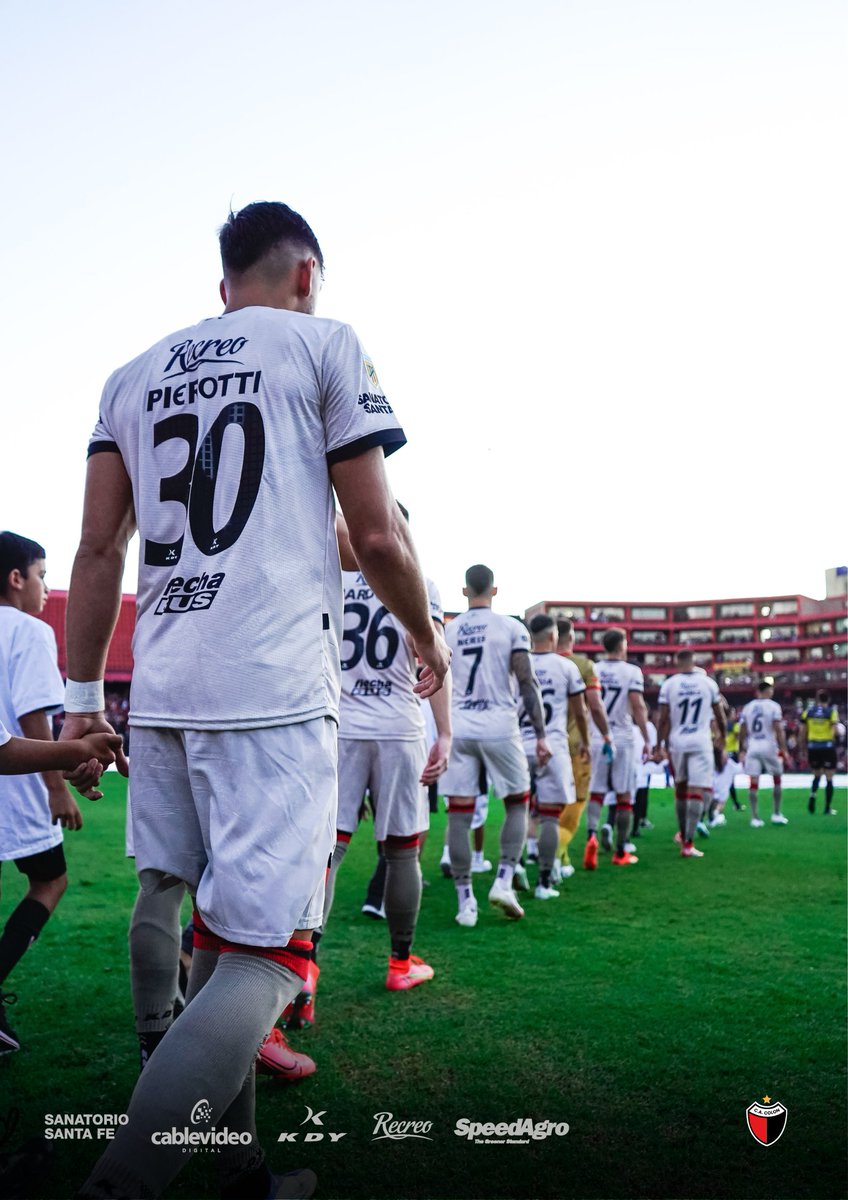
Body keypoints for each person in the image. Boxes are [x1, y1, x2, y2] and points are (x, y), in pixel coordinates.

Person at [61, 201, 450, 1200]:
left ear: (223, 280)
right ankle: (125, 1186)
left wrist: (76, 696)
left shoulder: (131, 372)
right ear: (308, 274)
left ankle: (237, 1176)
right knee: (268, 963)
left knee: (192, 923)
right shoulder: (322, 343)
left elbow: (99, 549)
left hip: (163, 684)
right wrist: (422, 631)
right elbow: (375, 536)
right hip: (271, 686)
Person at [320, 508, 451, 992]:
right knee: (401, 852)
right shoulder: (420, 583)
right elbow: (432, 662)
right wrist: (446, 733)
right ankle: (400, 963)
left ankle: (304, 968)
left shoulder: (329, 575)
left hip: (339, 725)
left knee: (326, 852)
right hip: (398, 725)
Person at [0, 532, 90, 1056]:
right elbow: (36, 713)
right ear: (16, 578)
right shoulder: (29, 631)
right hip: (16, 782)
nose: (46, 587)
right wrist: (57, 788)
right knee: (49, 880)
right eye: (42, 574)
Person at [442, 565, 549, 926]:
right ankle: (504, 880)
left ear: (464, 591)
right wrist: (542, 733)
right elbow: (526, 681)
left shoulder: (450, 629)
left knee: (459, 813)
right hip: (500, 724)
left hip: (459, 725)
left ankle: (464, 901)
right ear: (495, 590)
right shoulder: (512, 628)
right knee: (518, 803)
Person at [519, 615, 589, 898]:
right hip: (552, 745)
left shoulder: (518, 665)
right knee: (550, 816)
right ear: (553, 637)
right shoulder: (566, 666)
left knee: (517, 810)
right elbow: (580, 710)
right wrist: (585, 740)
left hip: (518, 742)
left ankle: (513, 867)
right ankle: (544, 881)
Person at [584, 629, 650, 868]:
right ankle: (621, 850)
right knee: (624, 796)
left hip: (597, 735)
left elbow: (586, 704)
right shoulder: (632, 671)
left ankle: (591, 836)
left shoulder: (594, 669)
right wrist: (646, 736)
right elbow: (638, 705)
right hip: (622, 736)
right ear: (622, 646)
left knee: (596, 792)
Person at [656, 650, 726, 858]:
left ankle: (682, 835)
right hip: (700, 741)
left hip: (677, 742)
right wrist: (722, 735)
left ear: (677, 662)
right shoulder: (708, 684)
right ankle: (688, 842)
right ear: (694, 662)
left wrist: (659, 743)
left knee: (681, 789)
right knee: (697, 790)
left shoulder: (669, 684)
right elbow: (719, 713)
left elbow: (663, 718)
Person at [555, 619, 611, 875]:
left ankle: (547, 853)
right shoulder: (583, 665)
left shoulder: (533, 661)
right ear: (572, 636)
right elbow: (594, 706)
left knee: (540, 803)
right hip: (574, 741)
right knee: (576, 798)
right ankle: (557, 852)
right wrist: (606, 735)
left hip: (537, 741)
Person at [739, 681, 789, 827]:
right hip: (769, 746)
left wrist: (741, 748)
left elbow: (742, 729)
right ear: (768, 691)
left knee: (753, 783)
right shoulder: (773, 706)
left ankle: (754, 817)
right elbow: (778, 729)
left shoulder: (748, 707)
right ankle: (776, 813)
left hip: (753, 746)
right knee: (777, 779)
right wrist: (783, 748)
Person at [800, 689, 839, 815]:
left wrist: (803, 748)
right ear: (828, 700)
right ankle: (827, 808)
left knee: (816, 774)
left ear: (817, 700)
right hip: (827, 746)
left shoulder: (808, 712)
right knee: (829, 777)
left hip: (813, 746)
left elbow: (802, 732)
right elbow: (834, 731)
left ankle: (812, 795)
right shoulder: (831, 712)